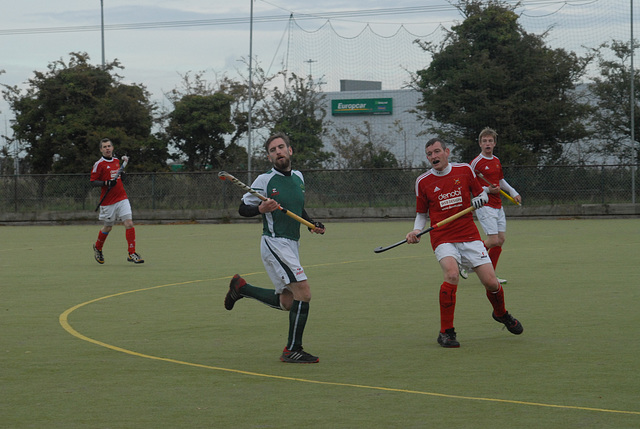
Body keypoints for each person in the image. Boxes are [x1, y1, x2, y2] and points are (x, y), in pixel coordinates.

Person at [405, 137, 522, 348]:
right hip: (442, 237)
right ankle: (446, 332)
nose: (433, 156)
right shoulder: (422, 181)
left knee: (491, 283)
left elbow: (480, 195)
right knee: (451, 274)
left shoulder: (465, 170)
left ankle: (501, 313)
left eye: (437, 151)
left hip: (468, 234)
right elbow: (421, 214)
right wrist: (416, 230)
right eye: (429, 154)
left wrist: (480, 198)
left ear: (447, 152)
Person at [224, 132, 325, 363]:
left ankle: (241, 288)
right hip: (274, 243)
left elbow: (298, 209)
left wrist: (311, 225)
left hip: (292, 244)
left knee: (289, 302)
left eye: (281, 147)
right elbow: (242, 209)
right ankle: (292, 350)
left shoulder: (299, 177)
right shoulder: (264, 180)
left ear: (290, 151)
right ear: (269, 157)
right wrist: (261, 209)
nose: (278, 151)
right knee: (304, 292)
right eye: (273, 150)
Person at [469, 127, 522, 284]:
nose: (487, 144)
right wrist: (487, 189)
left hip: (498, 205)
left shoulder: (496, 160)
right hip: (484, 205)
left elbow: (500, 181)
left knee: (501, 239)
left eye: (490, 141)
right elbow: (470, 185)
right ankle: (467, 262)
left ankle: (490, 274)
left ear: (494, 143)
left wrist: (514, 193)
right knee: (492, 240)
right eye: (484, 141)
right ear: (480, 144)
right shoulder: (475, 163)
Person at [90, 138, 144, 264]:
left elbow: (119, 176)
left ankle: (132, 253)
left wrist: (123, 175)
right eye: (104, 147)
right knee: (108, 227)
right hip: (108, 202)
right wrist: (106, 182)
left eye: (109, 146)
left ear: (112, 148)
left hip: (122, 198)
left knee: (129, 223)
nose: (107, 148)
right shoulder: (99, 164)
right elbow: (92, 181)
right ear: (101, 149)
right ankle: (98, 248)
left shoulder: (116, 161)